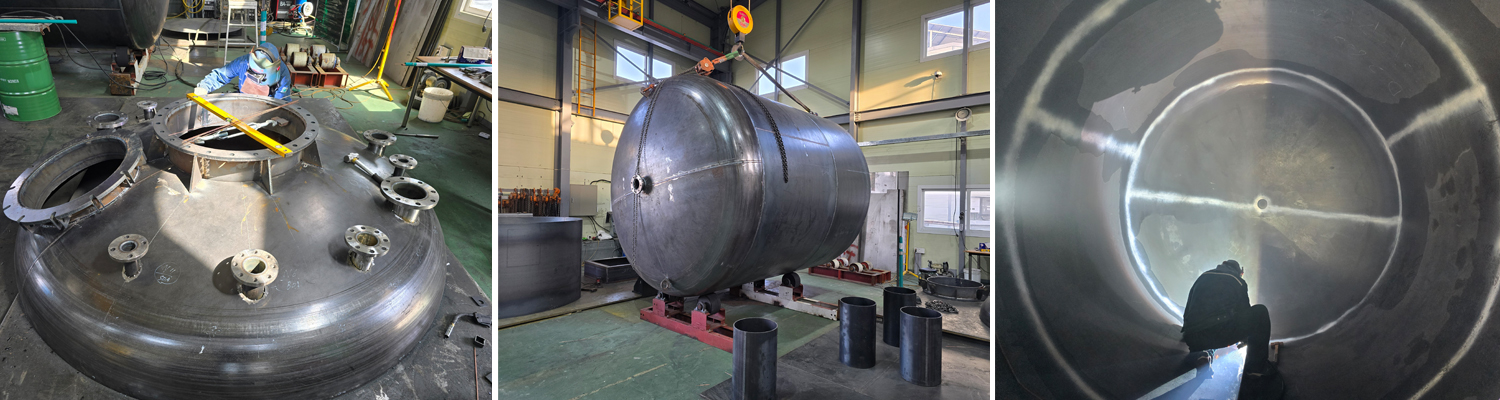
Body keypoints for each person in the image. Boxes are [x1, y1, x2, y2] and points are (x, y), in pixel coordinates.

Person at [1180, 260, 1281, 397]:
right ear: (1240, 272)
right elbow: (1244, 314)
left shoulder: (1203, 276)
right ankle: (1256, 369)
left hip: (1193, 337)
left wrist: (1188, 335)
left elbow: (1188, 310)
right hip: (1218, 332)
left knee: (1208, 327)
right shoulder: (1238, 281)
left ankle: (1201, 355)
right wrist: (1245, 339)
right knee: (1260, 312)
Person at [195, 42, 291, 100]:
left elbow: (280, 103)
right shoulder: (243, 62)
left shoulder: (283, 75)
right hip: (244, 98)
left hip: (267, 103)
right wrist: (204, 86)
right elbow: (221, 75)